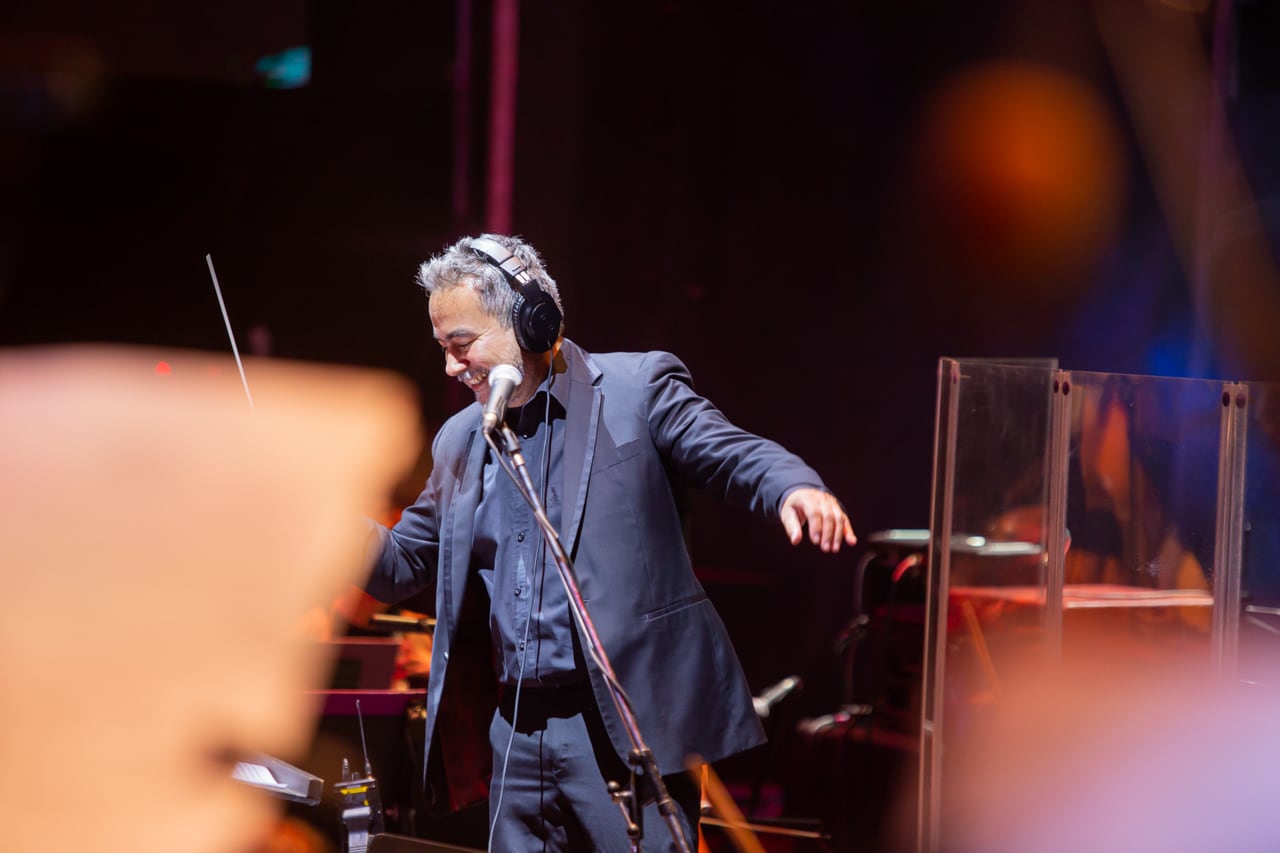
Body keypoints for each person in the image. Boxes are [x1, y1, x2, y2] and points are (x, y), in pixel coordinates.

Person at [364, 233, 855, 852]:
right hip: (516, 730)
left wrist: (792, 488)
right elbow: (407, 563)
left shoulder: (635, 389)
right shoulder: (462, 438)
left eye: (462, 346)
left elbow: (731, 453)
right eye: (442, 349)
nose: (450, 367)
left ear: (530, 320)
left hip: (623, 727)